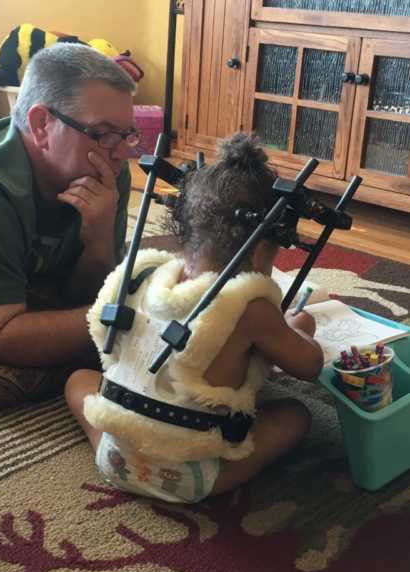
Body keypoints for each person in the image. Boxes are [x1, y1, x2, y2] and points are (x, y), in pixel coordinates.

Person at [65, 133, 324, 503]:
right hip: (191, 478)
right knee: (297, 416)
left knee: (79, 380)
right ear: (263, 249)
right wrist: (301, 328)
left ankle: (114, 452)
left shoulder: (143, 274)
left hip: (116, 457)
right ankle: (173, 474)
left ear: (183, 229)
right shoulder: (250, 306)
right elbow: (309, 365)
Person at [0, 43, 139, 415]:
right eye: (104, 132)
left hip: (20, 280)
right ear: (42, 125)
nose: (122, 152)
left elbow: (83, 294)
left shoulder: (108, 170)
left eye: (126, 134)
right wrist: (133, 320)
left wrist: (98, 241)